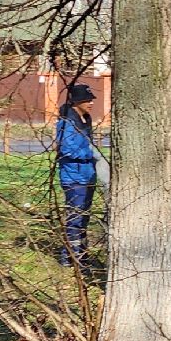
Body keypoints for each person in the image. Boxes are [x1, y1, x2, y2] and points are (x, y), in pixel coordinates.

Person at [55, 82, 101, 266]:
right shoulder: (67, 122)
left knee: (84, 218)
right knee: (75, 218)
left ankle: (82, 255)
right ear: (76, 102)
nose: (91, 103)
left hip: (88, 175)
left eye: (91, 100)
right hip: (74, 178)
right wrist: (91, 153)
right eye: (87, 100)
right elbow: (66, 149)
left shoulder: (85, 119)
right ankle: (70, 258)